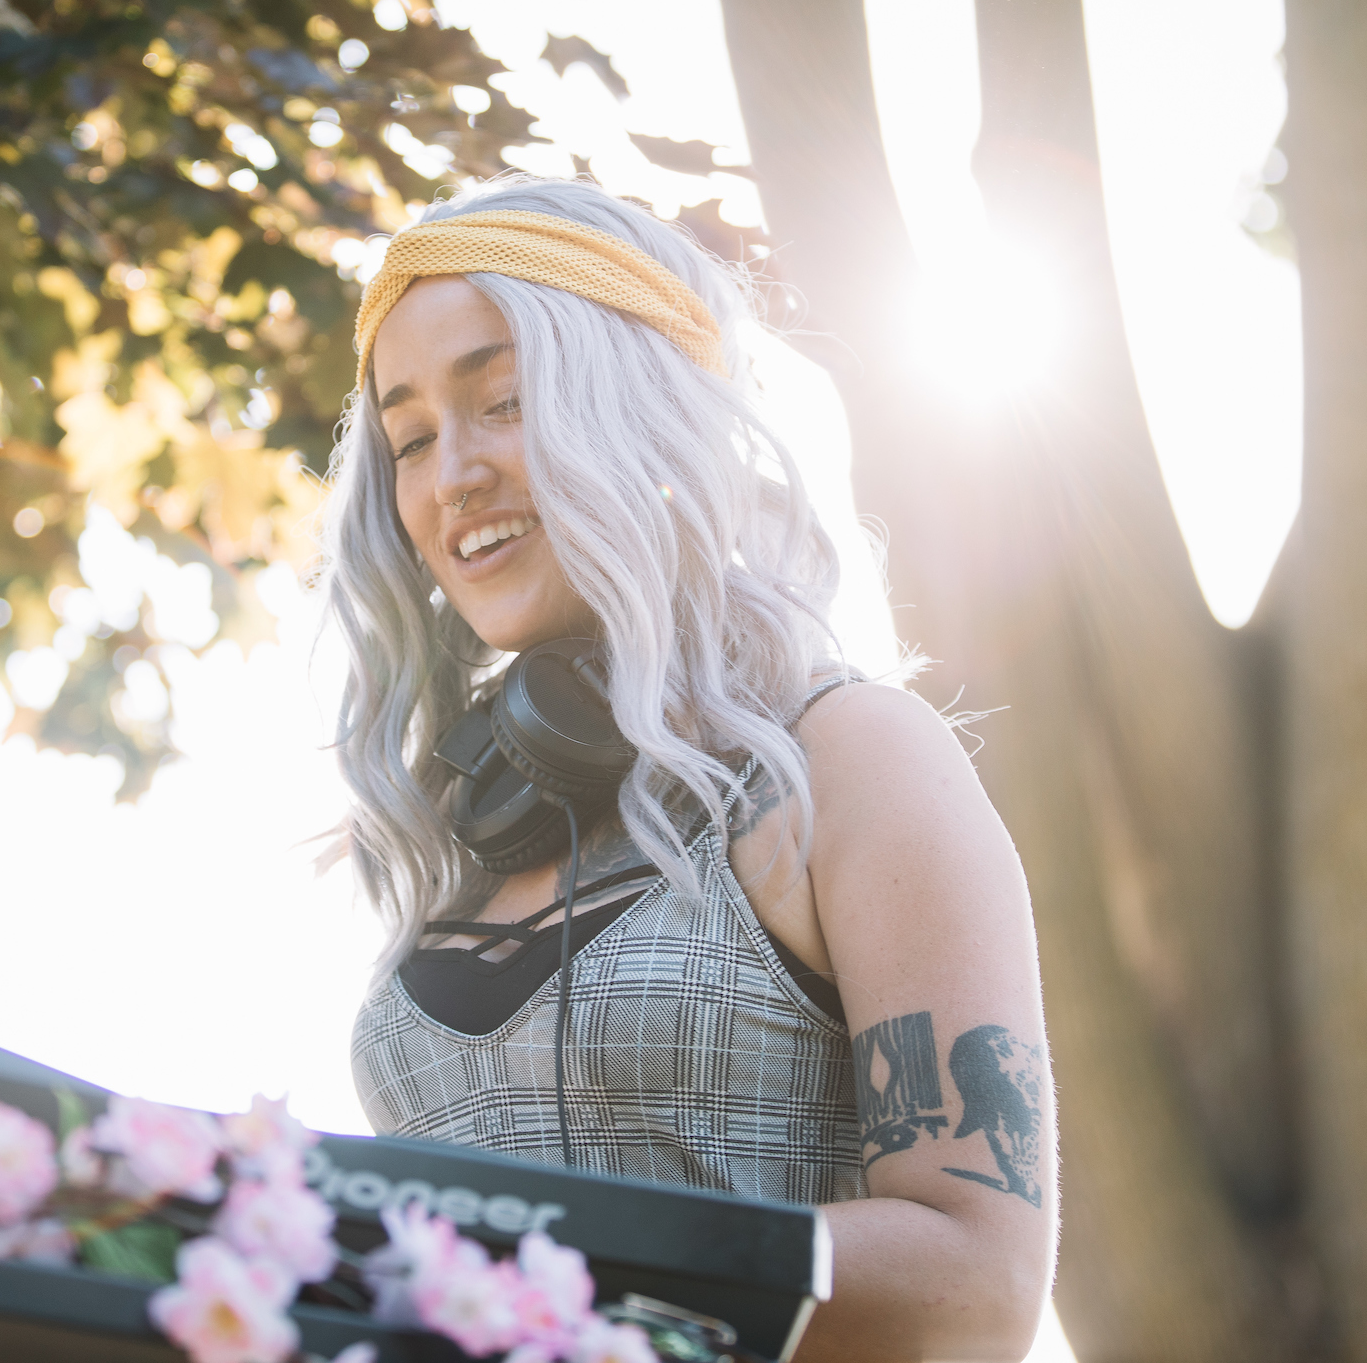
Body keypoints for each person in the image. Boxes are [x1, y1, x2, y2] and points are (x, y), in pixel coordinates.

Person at [318, 176, 1054, 1363]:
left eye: (501, 399)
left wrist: (530, 1268)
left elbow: (976, 1283)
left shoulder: (847, 755)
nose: (449, 474)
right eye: (409, 438)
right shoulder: (466, 824)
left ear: (639, 409)